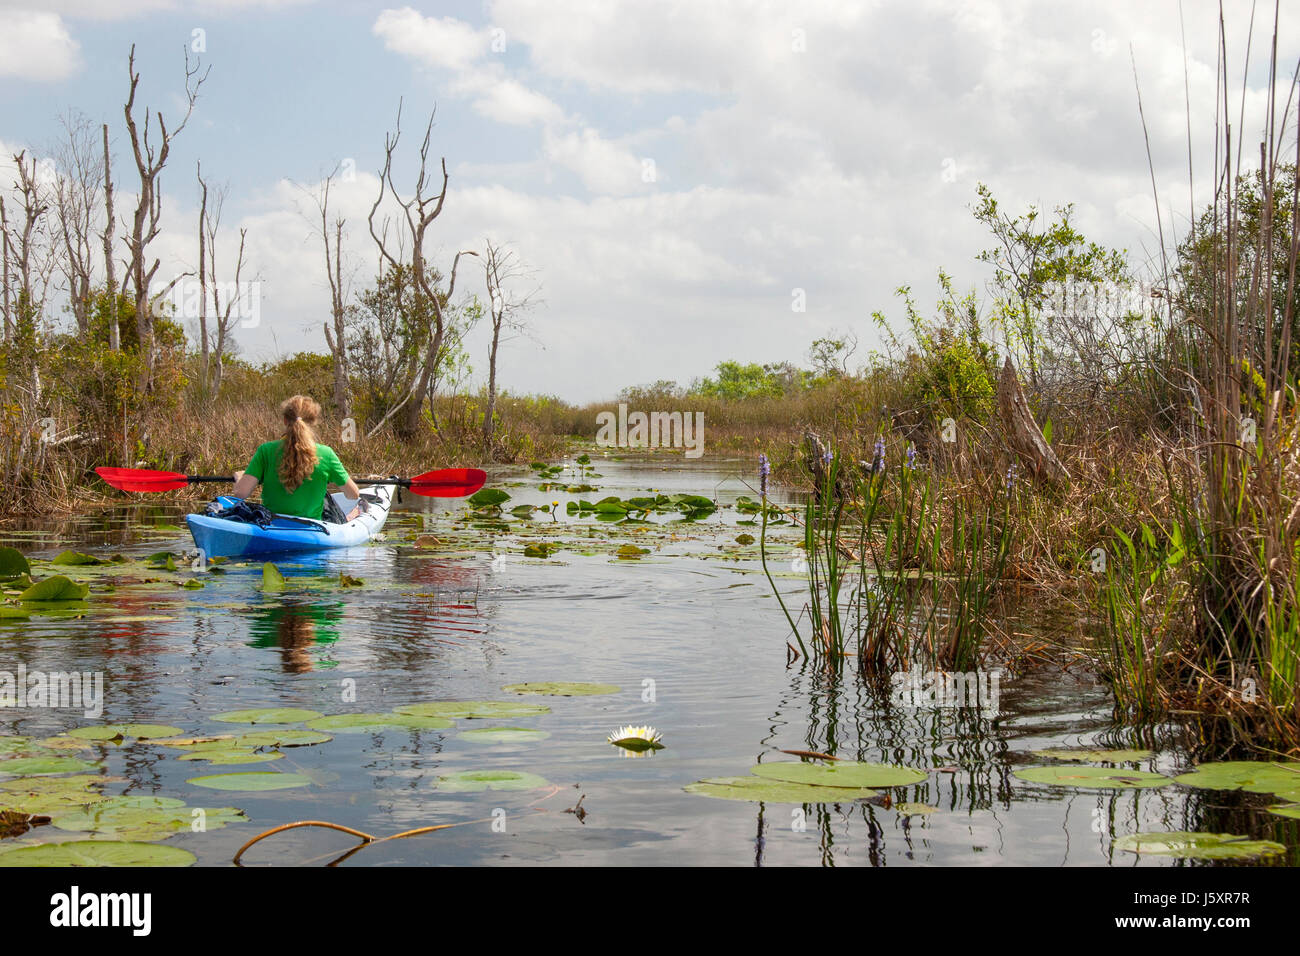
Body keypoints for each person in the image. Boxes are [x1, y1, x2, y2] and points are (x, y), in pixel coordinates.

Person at [229, 395, 363, 520]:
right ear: (313, 422)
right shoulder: (327, 454)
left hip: (272, 526)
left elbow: (241, 493)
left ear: (285, 420)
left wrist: (240, 478)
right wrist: (330, 479)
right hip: (312, 532)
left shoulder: (266, 450)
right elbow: (353, 494)